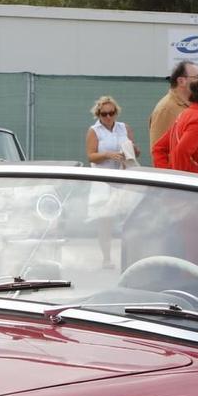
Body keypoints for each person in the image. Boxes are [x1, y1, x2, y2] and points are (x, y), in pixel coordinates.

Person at [84, 96, 133, 267]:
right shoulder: (94, 131)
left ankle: (128, 257)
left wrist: (132, 152)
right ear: (98, 115)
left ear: (116, 113)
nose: (108, 117)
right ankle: (106, 258)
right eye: (104, 114)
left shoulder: (124, 128)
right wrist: (107, 154)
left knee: (128, 219)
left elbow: (133, 151)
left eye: (111, 113)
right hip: (103, 180)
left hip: (123, 176)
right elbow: (91, 156)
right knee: (105, 221)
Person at [147, 63, 198, 167]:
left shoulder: (190, 106)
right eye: (197, 77)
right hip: (178, 179)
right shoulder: (166, 109)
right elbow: (158, 152)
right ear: (181, 81)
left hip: (193, 177)